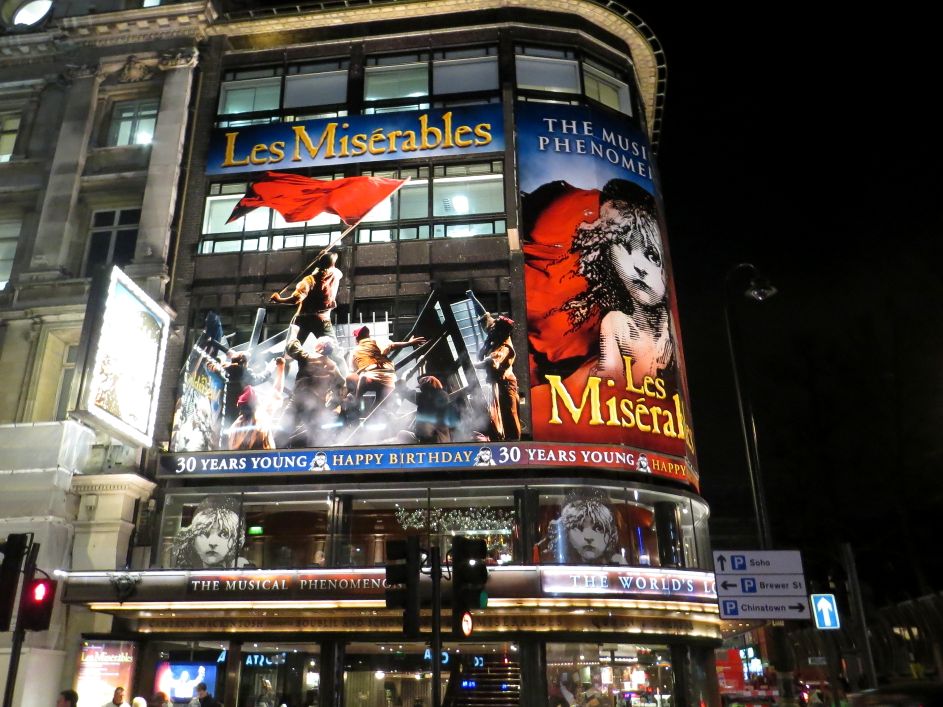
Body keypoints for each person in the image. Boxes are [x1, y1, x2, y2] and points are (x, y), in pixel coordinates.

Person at [270, 251, 343, 344]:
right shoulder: (335, 275)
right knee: (332, 348)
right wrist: (324, 257)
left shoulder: (309, 280)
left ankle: (288, 354)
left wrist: (278, 299)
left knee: (293, 347)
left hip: (303, 319)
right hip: (322, 319)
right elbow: (332, 268)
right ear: (333, 265)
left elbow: (295, 299)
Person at [349, 326, 426, 413]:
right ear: (368, 335)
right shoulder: (376, 342)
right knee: (377, 407)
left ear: (357, 339)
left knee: (360, 379)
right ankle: (370, 413)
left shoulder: (355, 351)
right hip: (389, 380)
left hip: (370, 377)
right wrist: (409, 343)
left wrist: (352, 392)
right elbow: (392, 345)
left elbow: (353, 372)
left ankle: (356, 405)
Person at [284, 337, 344, 447]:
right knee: (315, 439)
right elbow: (341, 387)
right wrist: (330, 405)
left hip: (298, 402)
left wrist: (294, 334)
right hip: (317, 406)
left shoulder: (307, 357)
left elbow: (291, 346)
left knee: (282, 431)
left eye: (317, 343)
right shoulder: (333, 366)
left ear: (322, 346)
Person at [543, 488, 626, 565]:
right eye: (579, 527)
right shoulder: (550, 562)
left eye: (599, 528)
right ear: (565, 531)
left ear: (611, 534)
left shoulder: (619, 564)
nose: (588, 537)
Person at [474, 312, 521, 441]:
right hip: (498, 383)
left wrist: (474, 365)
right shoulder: (496, 338)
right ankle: (504, 437)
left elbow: (491, 361)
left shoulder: (505, 346)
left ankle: (513, 441)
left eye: (494, 329)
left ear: (500, 331)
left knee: (509, 413)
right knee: (500, 412)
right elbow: (481, 355)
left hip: (506, 384)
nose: (491, 330)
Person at [170, 496, 249, 568]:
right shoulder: (182, 569)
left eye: (224, 534)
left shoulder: (240, 568)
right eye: (204, 533)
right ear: (193, 539)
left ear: (234, 541)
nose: (213, 543)